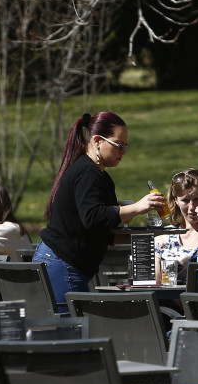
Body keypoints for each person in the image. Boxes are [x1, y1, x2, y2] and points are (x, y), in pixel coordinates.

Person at [36, 111, 166, 307]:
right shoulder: (87, 172)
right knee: (70, 331)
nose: (123, 151)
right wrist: (137, 207)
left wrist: (154, 235)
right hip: (62, 262)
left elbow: (104, 232)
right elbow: (94, 217)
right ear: (97, 141)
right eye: (119, 145)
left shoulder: (100, 176)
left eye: (126, 146)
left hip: (65, 263)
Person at [155, 169, 198, 267]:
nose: (192, 207)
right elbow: (156, 280)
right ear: (176, 200)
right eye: (185, 200)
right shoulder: (164, 238)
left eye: (197, 199)